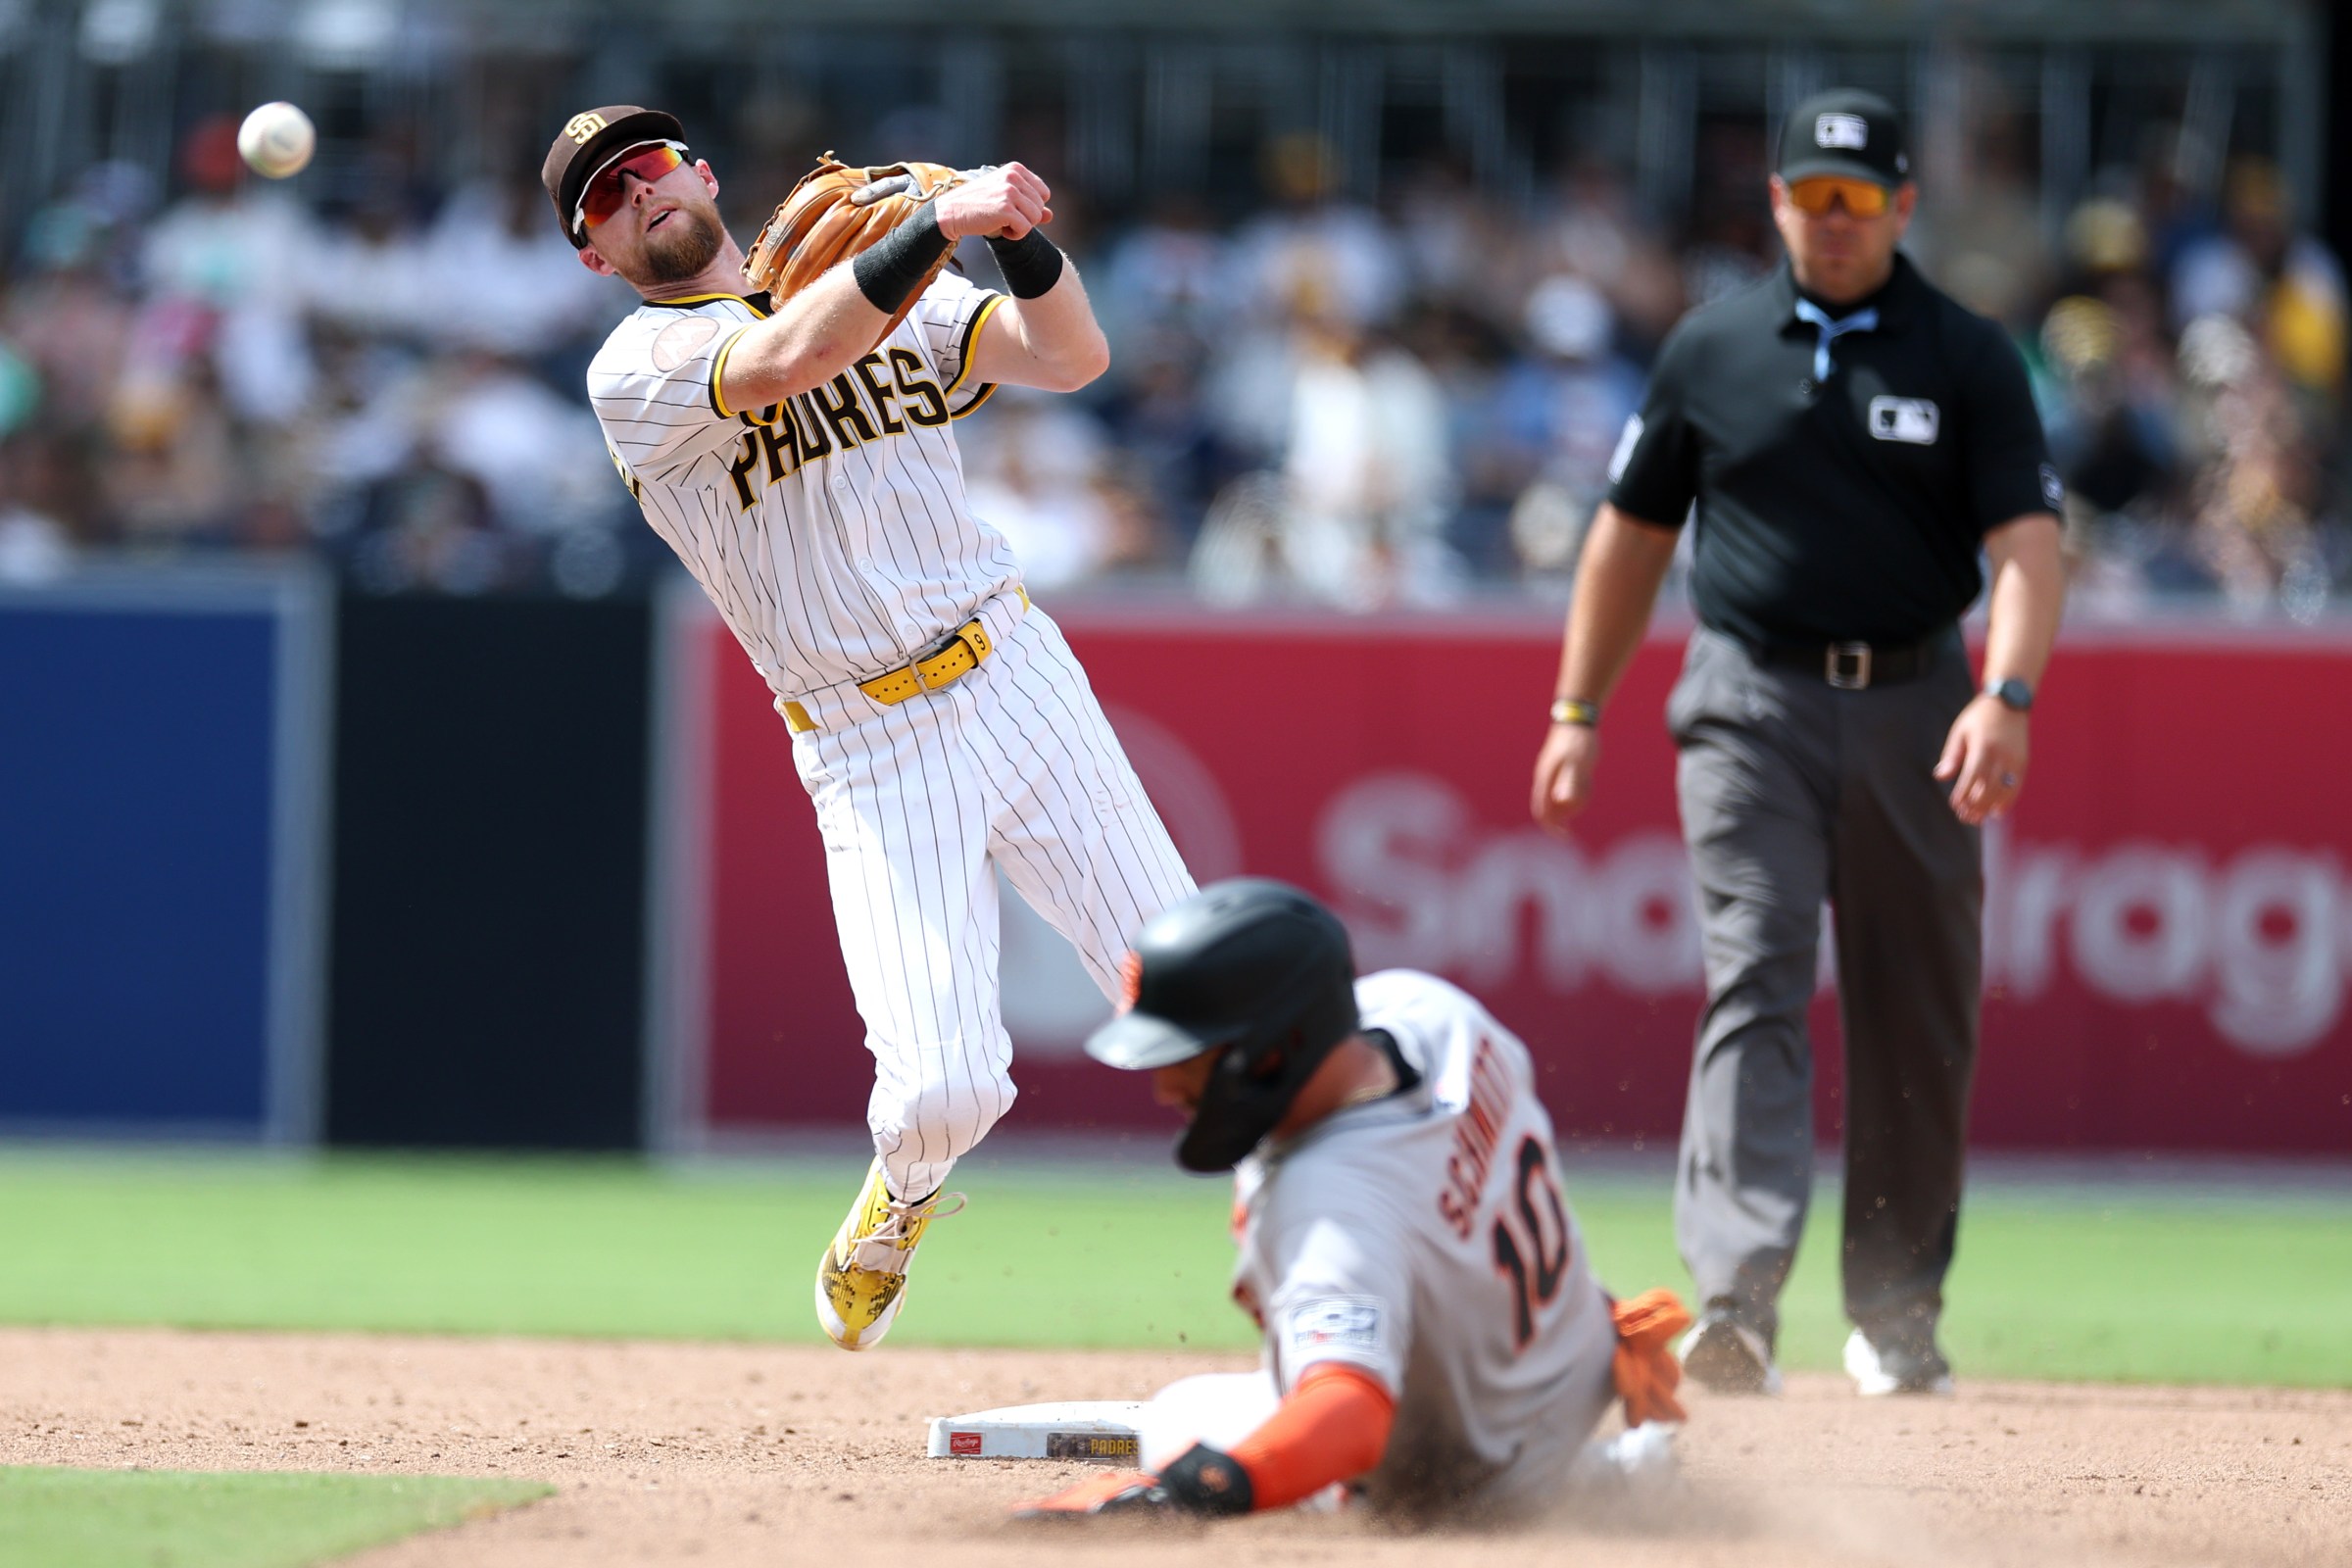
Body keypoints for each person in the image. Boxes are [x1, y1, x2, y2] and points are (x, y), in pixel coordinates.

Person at [544, 106, 1195, 1350]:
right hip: (867, 743)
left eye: (650, 164)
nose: (637, 191)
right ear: (596, 254)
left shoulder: (880, 296)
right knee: (946, 1089)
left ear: (702, 172)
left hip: (1013, 670)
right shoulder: (632, 370)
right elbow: (786, 359)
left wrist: (1015, 236)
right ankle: (894, 1211)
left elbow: (1071, 359)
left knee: (1198, 981)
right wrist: (929, 226)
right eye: (605, 197)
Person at [1527, 90, 2066, 1396]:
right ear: (1776, 202)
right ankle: (1735, 1303)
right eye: (1811, 197)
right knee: (1753, 975)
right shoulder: (1712, 349)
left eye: (1858, 199)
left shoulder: (1969, 356)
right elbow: (1631, 536)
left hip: (1922, 703)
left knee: (1915, 1009)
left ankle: (1893, 1314)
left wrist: (2008, 694)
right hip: (1749, 703)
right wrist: (1576, 710)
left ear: (1901, 207)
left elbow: (2030, 545)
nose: (1833, 221)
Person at [1015, 878, 1690, 1524]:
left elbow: (1351, 1410)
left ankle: (1581, 1485)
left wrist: (1190, 1492)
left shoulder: (1327, 1200)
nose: (1165, 1088)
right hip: (1573, 1362)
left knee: (1181, 1420)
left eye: (1188, 1059)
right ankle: (1598, 1468)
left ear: (1277, 1048)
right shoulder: (1433, 1012)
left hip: (1473, 1481)